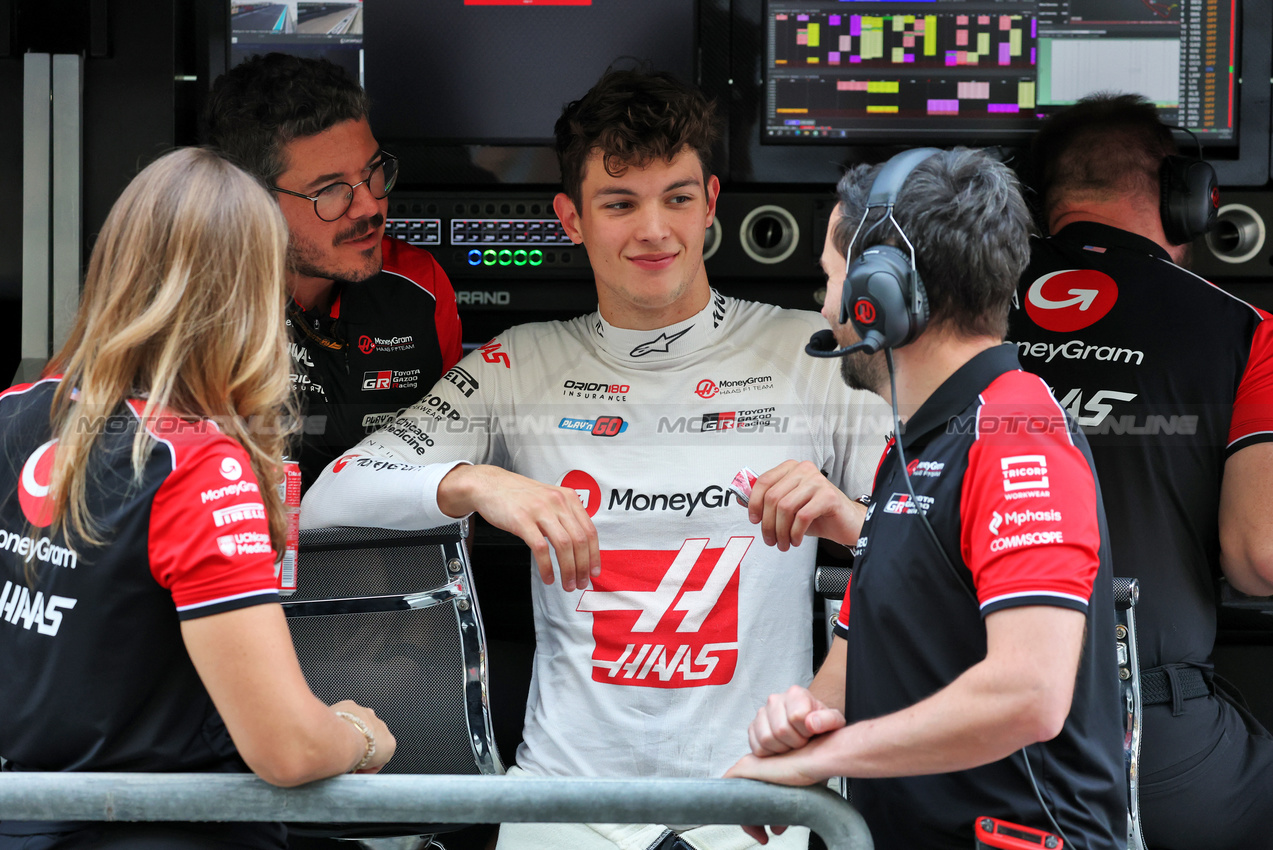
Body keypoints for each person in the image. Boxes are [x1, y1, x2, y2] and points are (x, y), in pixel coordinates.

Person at [303, 68, 887, 850]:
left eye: (676, 198)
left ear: (711, 202)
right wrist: (475, 482)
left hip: (755, 807)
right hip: (562, 809)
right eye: (619, 203)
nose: (653, 230)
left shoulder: (810, 356)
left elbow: (931, 546)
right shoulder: (520, 363)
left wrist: (848, 518)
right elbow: (326, 500)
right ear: (570, 218)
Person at [725, 148, 1126, 850]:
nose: (823, 308)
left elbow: (1026, 696)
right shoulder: (915, 449)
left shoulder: (1015, 433)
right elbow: (847, 680)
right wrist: (793, 728)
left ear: (878, 294)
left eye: (828, 279)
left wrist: (823, 762)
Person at [0, 148, 395, 850]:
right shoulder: (196, 464)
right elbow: (288, 749)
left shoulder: (15, 411)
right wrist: (359, 734)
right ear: (252, 291)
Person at [1008, 93, 1273, 850]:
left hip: (948, 727)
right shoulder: (1241, 331)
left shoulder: (948, 309)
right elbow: (1258, 558)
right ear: (1188, 201)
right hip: (1146, 742)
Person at [203, 53, 463, 491]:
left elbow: (453, 464)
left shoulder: (421, 285)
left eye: (373, 173)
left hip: (385, 558)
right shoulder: (196, 305)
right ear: (252, 199)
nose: (369, 208)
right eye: (330, 191)